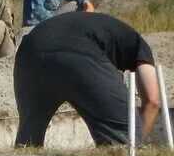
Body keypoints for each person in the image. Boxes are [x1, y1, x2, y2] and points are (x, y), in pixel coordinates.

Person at [13, 10, 161, 147]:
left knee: (29, 139)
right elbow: (152, 102)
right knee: (123, 139)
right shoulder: (139, 45)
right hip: (80, 52)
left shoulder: (105, 29)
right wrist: (136, 143)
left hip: (30, 51)